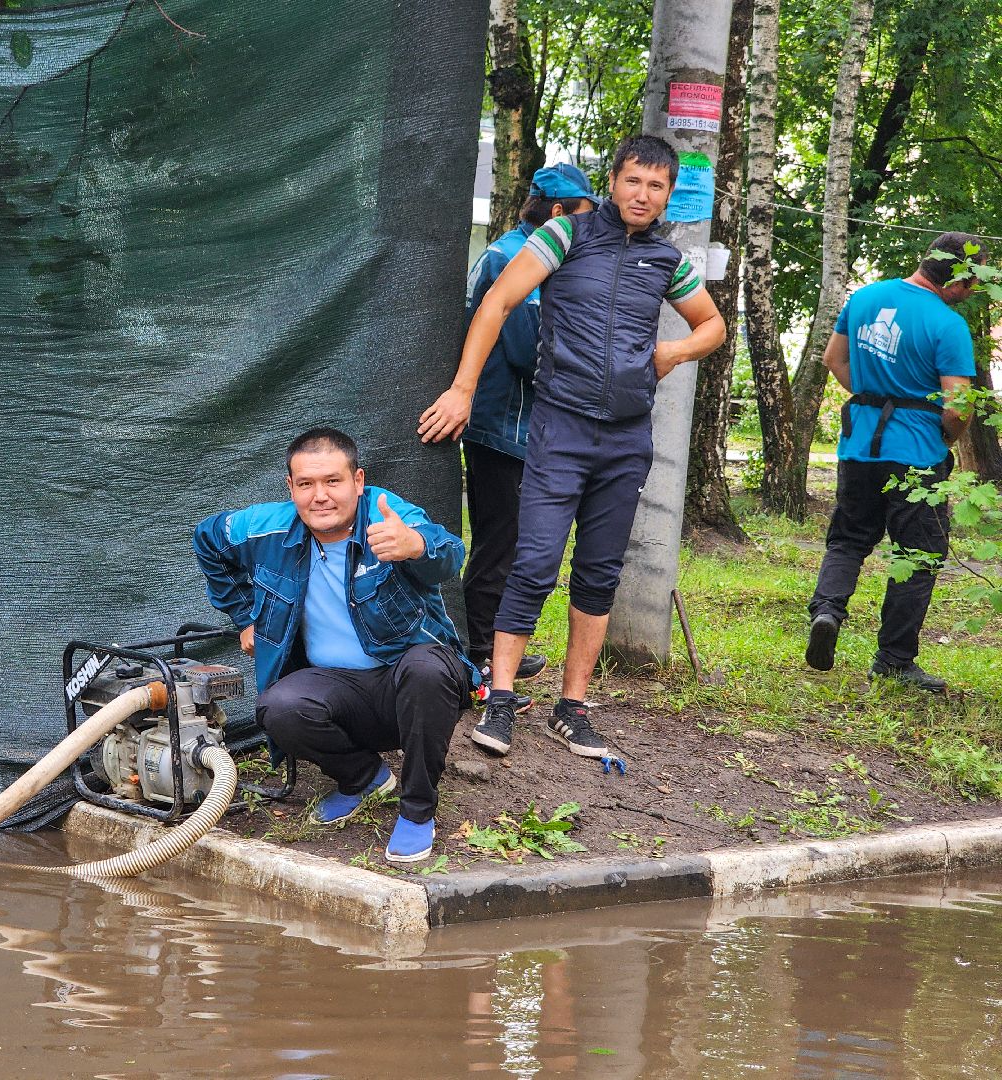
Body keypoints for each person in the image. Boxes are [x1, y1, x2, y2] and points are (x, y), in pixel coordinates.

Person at [421, 134, 725, 759]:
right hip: (559, 428)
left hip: (626, 437)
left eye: (656, 186)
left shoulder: (668, 262)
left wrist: (673, 351)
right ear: (612, 182)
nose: (642, 195)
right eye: (633, 181)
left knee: (598, 572)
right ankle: (500, 699)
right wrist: (462, 389)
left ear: (669, 196)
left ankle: (572, 707)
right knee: (532, 562)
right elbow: (499, 302)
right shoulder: (567, 236)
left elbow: (714, 324)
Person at [193, 428, 476, 865]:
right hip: (336, 689)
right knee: (279, 706)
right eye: (306, 484)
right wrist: (245, 616)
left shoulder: (387, 514)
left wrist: (415, 545)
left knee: (427, 669)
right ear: (291, 488)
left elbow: (450, 553)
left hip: (410, 684)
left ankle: (418, 809)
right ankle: (363, 778)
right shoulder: (266, 526)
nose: (319, 496)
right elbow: (207, 539)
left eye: (333, 481)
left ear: (358, 482)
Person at [420, 162, 601, 700]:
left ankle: (494, 650)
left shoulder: (526, 253)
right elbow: (530, 351)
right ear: (560, 212)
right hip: (503, 427)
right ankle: (478, 659)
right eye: (586, 214)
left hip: (519, 427)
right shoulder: (512, 258)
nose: (589, 227)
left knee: (511, 542)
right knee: (500, 544)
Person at [805, 233, 984, 692]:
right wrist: (946, 436)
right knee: (918, 555)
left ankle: (827, 611)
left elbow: (833, 359)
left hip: (858, 446)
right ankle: (894, 660)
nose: (971, 295)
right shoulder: (946, 324)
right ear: (959, 279)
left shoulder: (865, 297)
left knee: (847, 540)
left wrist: (869, 401)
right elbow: (958, 403)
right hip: (916, 455)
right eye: (971, 284)